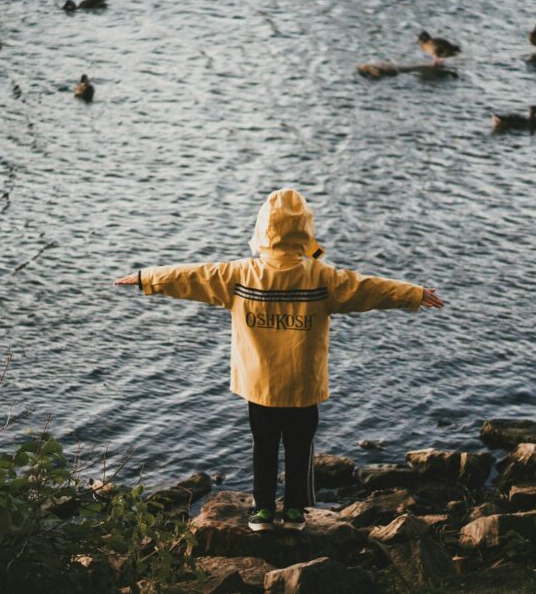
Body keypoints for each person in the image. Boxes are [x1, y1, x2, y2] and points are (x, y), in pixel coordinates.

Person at [114, 188, 444, 531]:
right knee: (300, 450)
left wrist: (146, 278)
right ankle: (295, 512)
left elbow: (192, 276)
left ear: (262, 229)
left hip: (261, 386)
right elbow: (367, 288)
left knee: (264, 448)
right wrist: (412, 293)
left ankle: (263, 512)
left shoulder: (240, 275)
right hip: (303, 385)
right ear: (305, 230)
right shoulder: (322, 276)